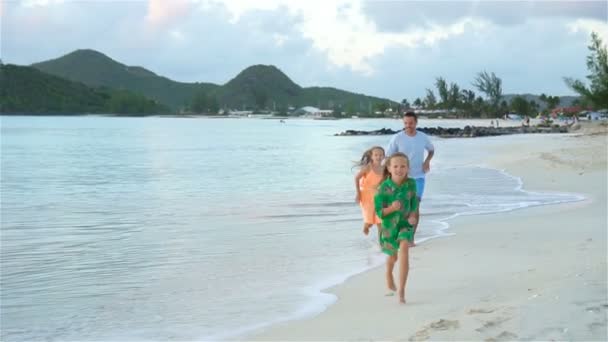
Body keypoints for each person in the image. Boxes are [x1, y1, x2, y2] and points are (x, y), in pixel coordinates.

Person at [374, 152, 418, 304]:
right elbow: (379, 212)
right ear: (389, 168)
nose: (399, 169)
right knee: (393, 256)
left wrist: (412, 215)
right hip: (388, 228)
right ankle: (388, 273)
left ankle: (402, 289)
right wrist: (392, 208)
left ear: (408, 168)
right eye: (396, 166)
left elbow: (414, 202)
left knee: (404, 248)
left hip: (405, 225)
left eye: (403, 166)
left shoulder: (411, 183)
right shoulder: (382, 189)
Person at [386, 111, 434, 246]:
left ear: (416, 123)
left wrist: (427, 161)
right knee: (400, 208)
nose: (408, 126)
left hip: (418, 177)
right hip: (400, 178)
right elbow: (389, 156)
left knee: (415, 207)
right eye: (406, 123)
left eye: (411, 123)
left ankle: (411, 238)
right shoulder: (397, 138)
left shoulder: (422, 137)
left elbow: (431, 150)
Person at [354, 146, 386, 236]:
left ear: (384, 156)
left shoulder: (385, 169)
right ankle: (366, 226)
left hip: (379, 197)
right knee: (370, 219)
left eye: (380, 155)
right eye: (376, 155)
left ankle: (382, 243)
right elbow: (356, 178)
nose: (378, 157)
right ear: (371, 156)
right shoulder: (368, 167)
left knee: (380, 221)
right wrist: (358, 193)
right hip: (366, 197)